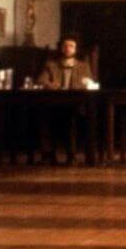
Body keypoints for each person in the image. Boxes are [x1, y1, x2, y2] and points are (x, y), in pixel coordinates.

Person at [37, 35, 97, 164]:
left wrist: (75, 88)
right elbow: (41, 80)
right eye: (65, 45)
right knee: (46, 115)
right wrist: (52, 85)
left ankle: (71, 155)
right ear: (61, 48)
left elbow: (88, 83)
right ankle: (48, 155)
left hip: (75, 103)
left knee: (71, 117)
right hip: (54, 102)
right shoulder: (51, 65)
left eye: (71, 46)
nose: (68, 48)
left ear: (75, 49)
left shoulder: (83, 66)